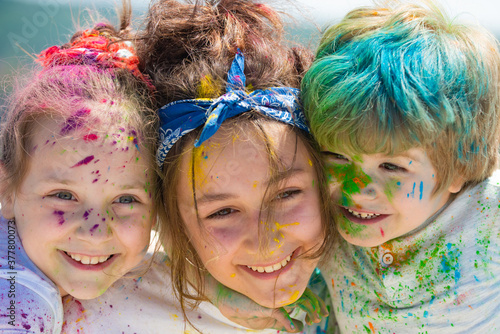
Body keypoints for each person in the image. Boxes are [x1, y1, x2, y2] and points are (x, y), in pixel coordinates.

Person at [62, 1, 332, 333]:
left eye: (287, 193)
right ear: (168, 216)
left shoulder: (362, 258)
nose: (266, 242)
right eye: (222, 212)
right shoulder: (93, 306)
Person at [300, 0, 500, 332]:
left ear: (460, 168)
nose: (355, 188)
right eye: (337, 157)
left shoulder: (487, 215)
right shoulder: (318, 217)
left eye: (392, 167)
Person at [0, 7, 157, 333]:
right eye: (64, 195)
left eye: (125, 199)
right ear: (6, 190)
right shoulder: (19, 302)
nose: (95, 232)